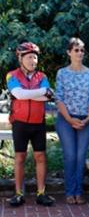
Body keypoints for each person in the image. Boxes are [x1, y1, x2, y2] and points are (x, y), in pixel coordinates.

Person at [6, 42, 55, 207]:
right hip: (19, 123)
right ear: (20, 58)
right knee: (20, 157)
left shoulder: (43, 77)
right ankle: (19, 194)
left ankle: (41, 193)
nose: (33, 60)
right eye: (29, 57)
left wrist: (29, 95)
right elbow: (18, 94)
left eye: (35, 57)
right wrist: (41, 92)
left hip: (38, 122)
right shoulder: (11, 75)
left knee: (40, 157)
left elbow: (48, 97)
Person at [55, 38, 89, 205]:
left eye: (82, 50)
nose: (80, 53)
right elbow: (59, 98)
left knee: (81, 156)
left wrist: (87, 118)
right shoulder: (62, 73)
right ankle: (69, 192)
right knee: (70, 156)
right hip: (66, 119)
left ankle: (79, 192)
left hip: (85, 120)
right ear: (69, 52)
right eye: (76, 50)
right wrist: (70, 119)